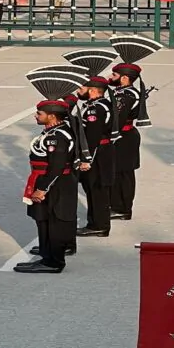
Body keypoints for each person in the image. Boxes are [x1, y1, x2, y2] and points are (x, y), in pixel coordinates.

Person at [14, 99, 77, 274]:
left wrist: (42, 189)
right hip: (48, 181)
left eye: (39, 113)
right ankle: (46, 255)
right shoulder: (54, 131)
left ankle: (54, 262)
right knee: (44, 221)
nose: (36, 116)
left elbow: (56, 166)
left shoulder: (57, 138)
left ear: (51, 116)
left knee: (54, 222)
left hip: (55, 184)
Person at [76, 76, 116, 237]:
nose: (79, 91)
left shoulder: (95, 109)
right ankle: (95, 223)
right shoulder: (99, 105)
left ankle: (99, 225)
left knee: (97, 191)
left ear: (92, 90)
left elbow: (92, 136)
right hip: (101, 151)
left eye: (81, 88)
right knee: (93, 190)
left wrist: (86, 159)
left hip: (98, 153)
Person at [109, 63, 145, 220]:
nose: (110, 78)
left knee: (123, 174)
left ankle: (122, 208)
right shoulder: (122, 92)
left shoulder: (127, 95)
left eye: (114, 75)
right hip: (122, 136)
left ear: (124, 78)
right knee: (117, 173)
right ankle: (116, 204)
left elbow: (118, 118)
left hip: (124, 137)